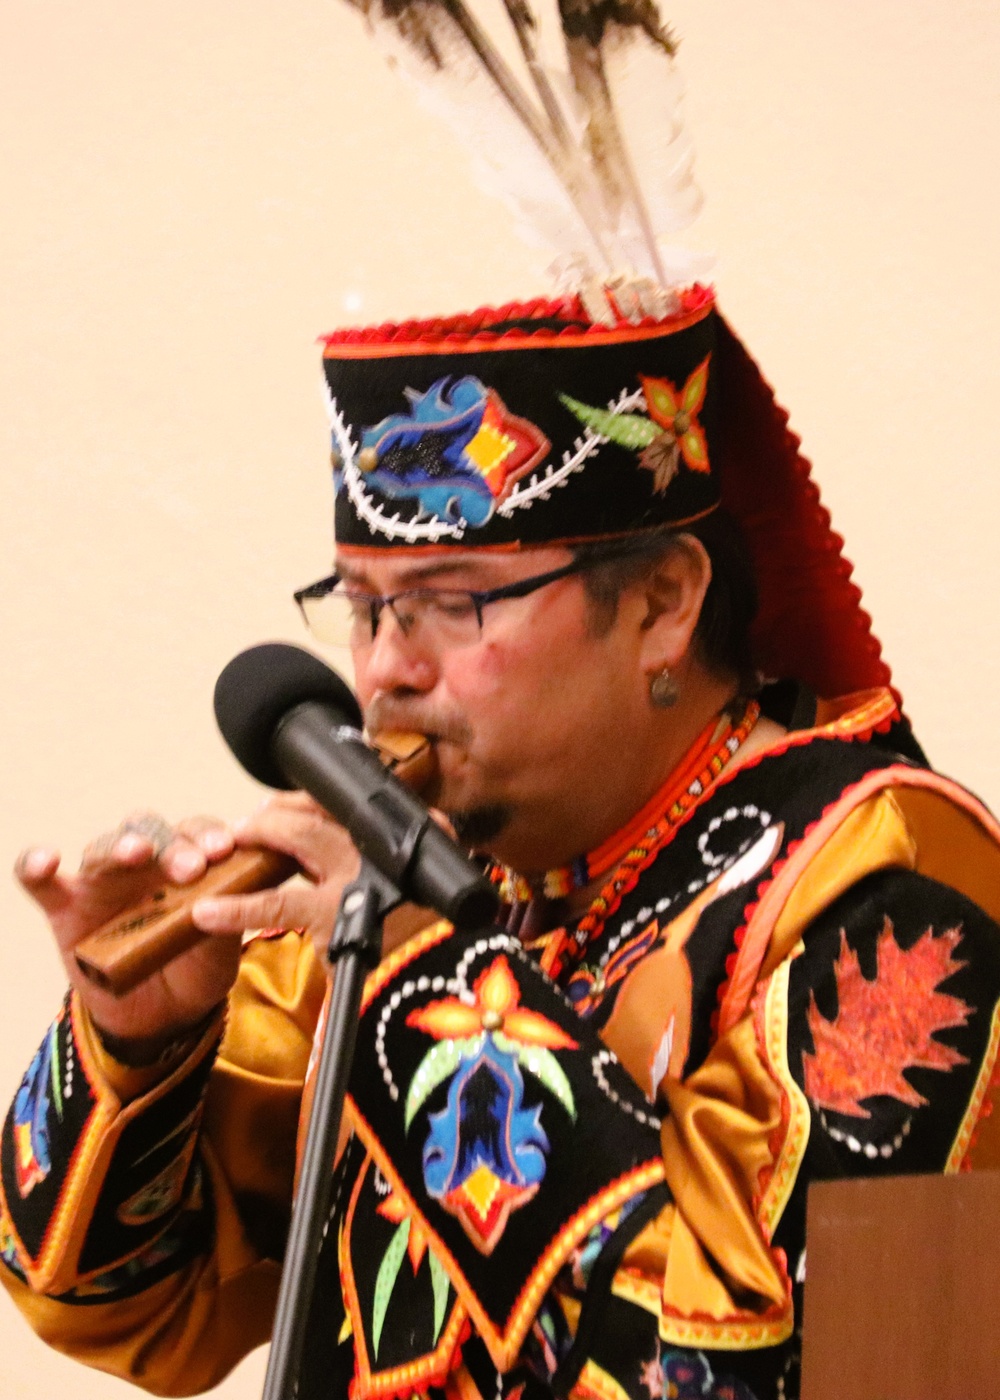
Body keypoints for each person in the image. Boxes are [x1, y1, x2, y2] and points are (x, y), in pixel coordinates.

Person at [2, 284, 1000, 1400]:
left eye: (452, 604)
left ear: (663, 601)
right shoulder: (396, 888)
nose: (383, 671)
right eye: (367, 607)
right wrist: (145, 1041)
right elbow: (111, 1301)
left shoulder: (887, 884)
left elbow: (751, 1370)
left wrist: (425, 986)